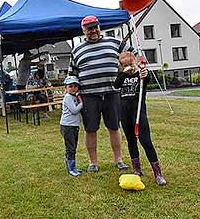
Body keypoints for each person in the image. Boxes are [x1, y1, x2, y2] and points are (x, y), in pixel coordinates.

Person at [69, 15, 135, 172]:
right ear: (83, 31)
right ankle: (93, 162)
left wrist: (129, 66)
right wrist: (72, 93)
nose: (93, 31)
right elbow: (72, 74)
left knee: (114, 127)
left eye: (95, 27)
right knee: (90, 129)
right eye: (89, 28)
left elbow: (132, 54)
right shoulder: (76, 50)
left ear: (99, 27)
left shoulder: (114, 42)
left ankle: (118, 160)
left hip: (112, 94)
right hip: (89, 96)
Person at [113, 52, 166, 185]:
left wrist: (144, 74)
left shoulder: (140, 75)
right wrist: (124, 73)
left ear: (135, 63)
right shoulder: (121, 76)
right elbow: (116, 85)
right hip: (124, 113)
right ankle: (137, 169)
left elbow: (147, 79)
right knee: (131, 140)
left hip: (138, 113)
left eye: (130, 64)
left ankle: (157, 173)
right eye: (124, 65)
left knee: (146, 141)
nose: (128, 67)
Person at [60, 76, 84, 177]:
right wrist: (82, 103)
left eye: (75, 86)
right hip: (67, 126)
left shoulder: (73, 96)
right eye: (70, 86)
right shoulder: (68, 97)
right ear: (65, 88)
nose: (73, 88)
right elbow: (74, 110)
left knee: (73, 147)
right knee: (70, 148)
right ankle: (71, 168)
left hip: (73, 126)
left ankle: (72, 166)